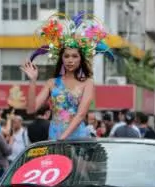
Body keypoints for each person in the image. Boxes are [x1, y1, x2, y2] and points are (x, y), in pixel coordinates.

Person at [21, 11, 114, 140]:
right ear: (62, 59)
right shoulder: (51, 83)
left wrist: (62, 138)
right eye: (66, 56)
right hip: (55, 137)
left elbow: (81, 114)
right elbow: (31, 110)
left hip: (77, 139)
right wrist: (32, 81)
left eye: (75, 56)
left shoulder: (88, 83)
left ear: (81, 59)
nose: (70, 60)